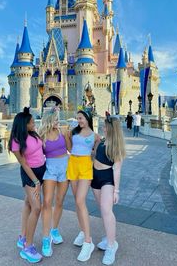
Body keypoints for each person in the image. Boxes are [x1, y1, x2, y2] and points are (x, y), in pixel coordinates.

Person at [8, 107, 45, 264]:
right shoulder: (16, 140)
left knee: (28, 203)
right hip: (30, 175)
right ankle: (28, 247)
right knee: (37, 208)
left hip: (42, 170)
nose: (33, 123)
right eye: (31, 122)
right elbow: (23, 163)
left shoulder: (33, 134)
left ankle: (22, 237)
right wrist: (36, 181)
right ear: (24, 124)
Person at [91, 114, 126, 265]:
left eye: (105, 126)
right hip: (95, 178)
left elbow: (117, 169)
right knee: (102, 209)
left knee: (106, 210)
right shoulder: (102, 141)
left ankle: (111, 246)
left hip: (107, 179)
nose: (102, 128)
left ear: (111, 129)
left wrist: (116, 191)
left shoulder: (115, 145)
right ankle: (109, 237)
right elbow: (94, 157)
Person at [66, 110, 100, 262]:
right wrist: (66, 134)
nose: (78, 120)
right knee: (77, 202)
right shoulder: (74, 132)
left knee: (80, 201)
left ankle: (88, 241)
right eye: (78, 118)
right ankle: (82, 230)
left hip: (86, 166)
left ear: (87, 118)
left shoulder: (95, 136)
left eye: (80, 118)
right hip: (73, 163)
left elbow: (96, 153)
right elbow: (69, 148)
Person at [38, 107, 70, 257]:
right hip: (50, 169)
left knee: (59, 201)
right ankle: (46, 239)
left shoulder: (63, 131)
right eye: (56, 119)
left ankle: (54, 229)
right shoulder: (41, 135)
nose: (58, 122)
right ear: (49, 121)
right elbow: (35, 154)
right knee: (47, 203)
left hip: (64, 168)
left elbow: (72, 149)